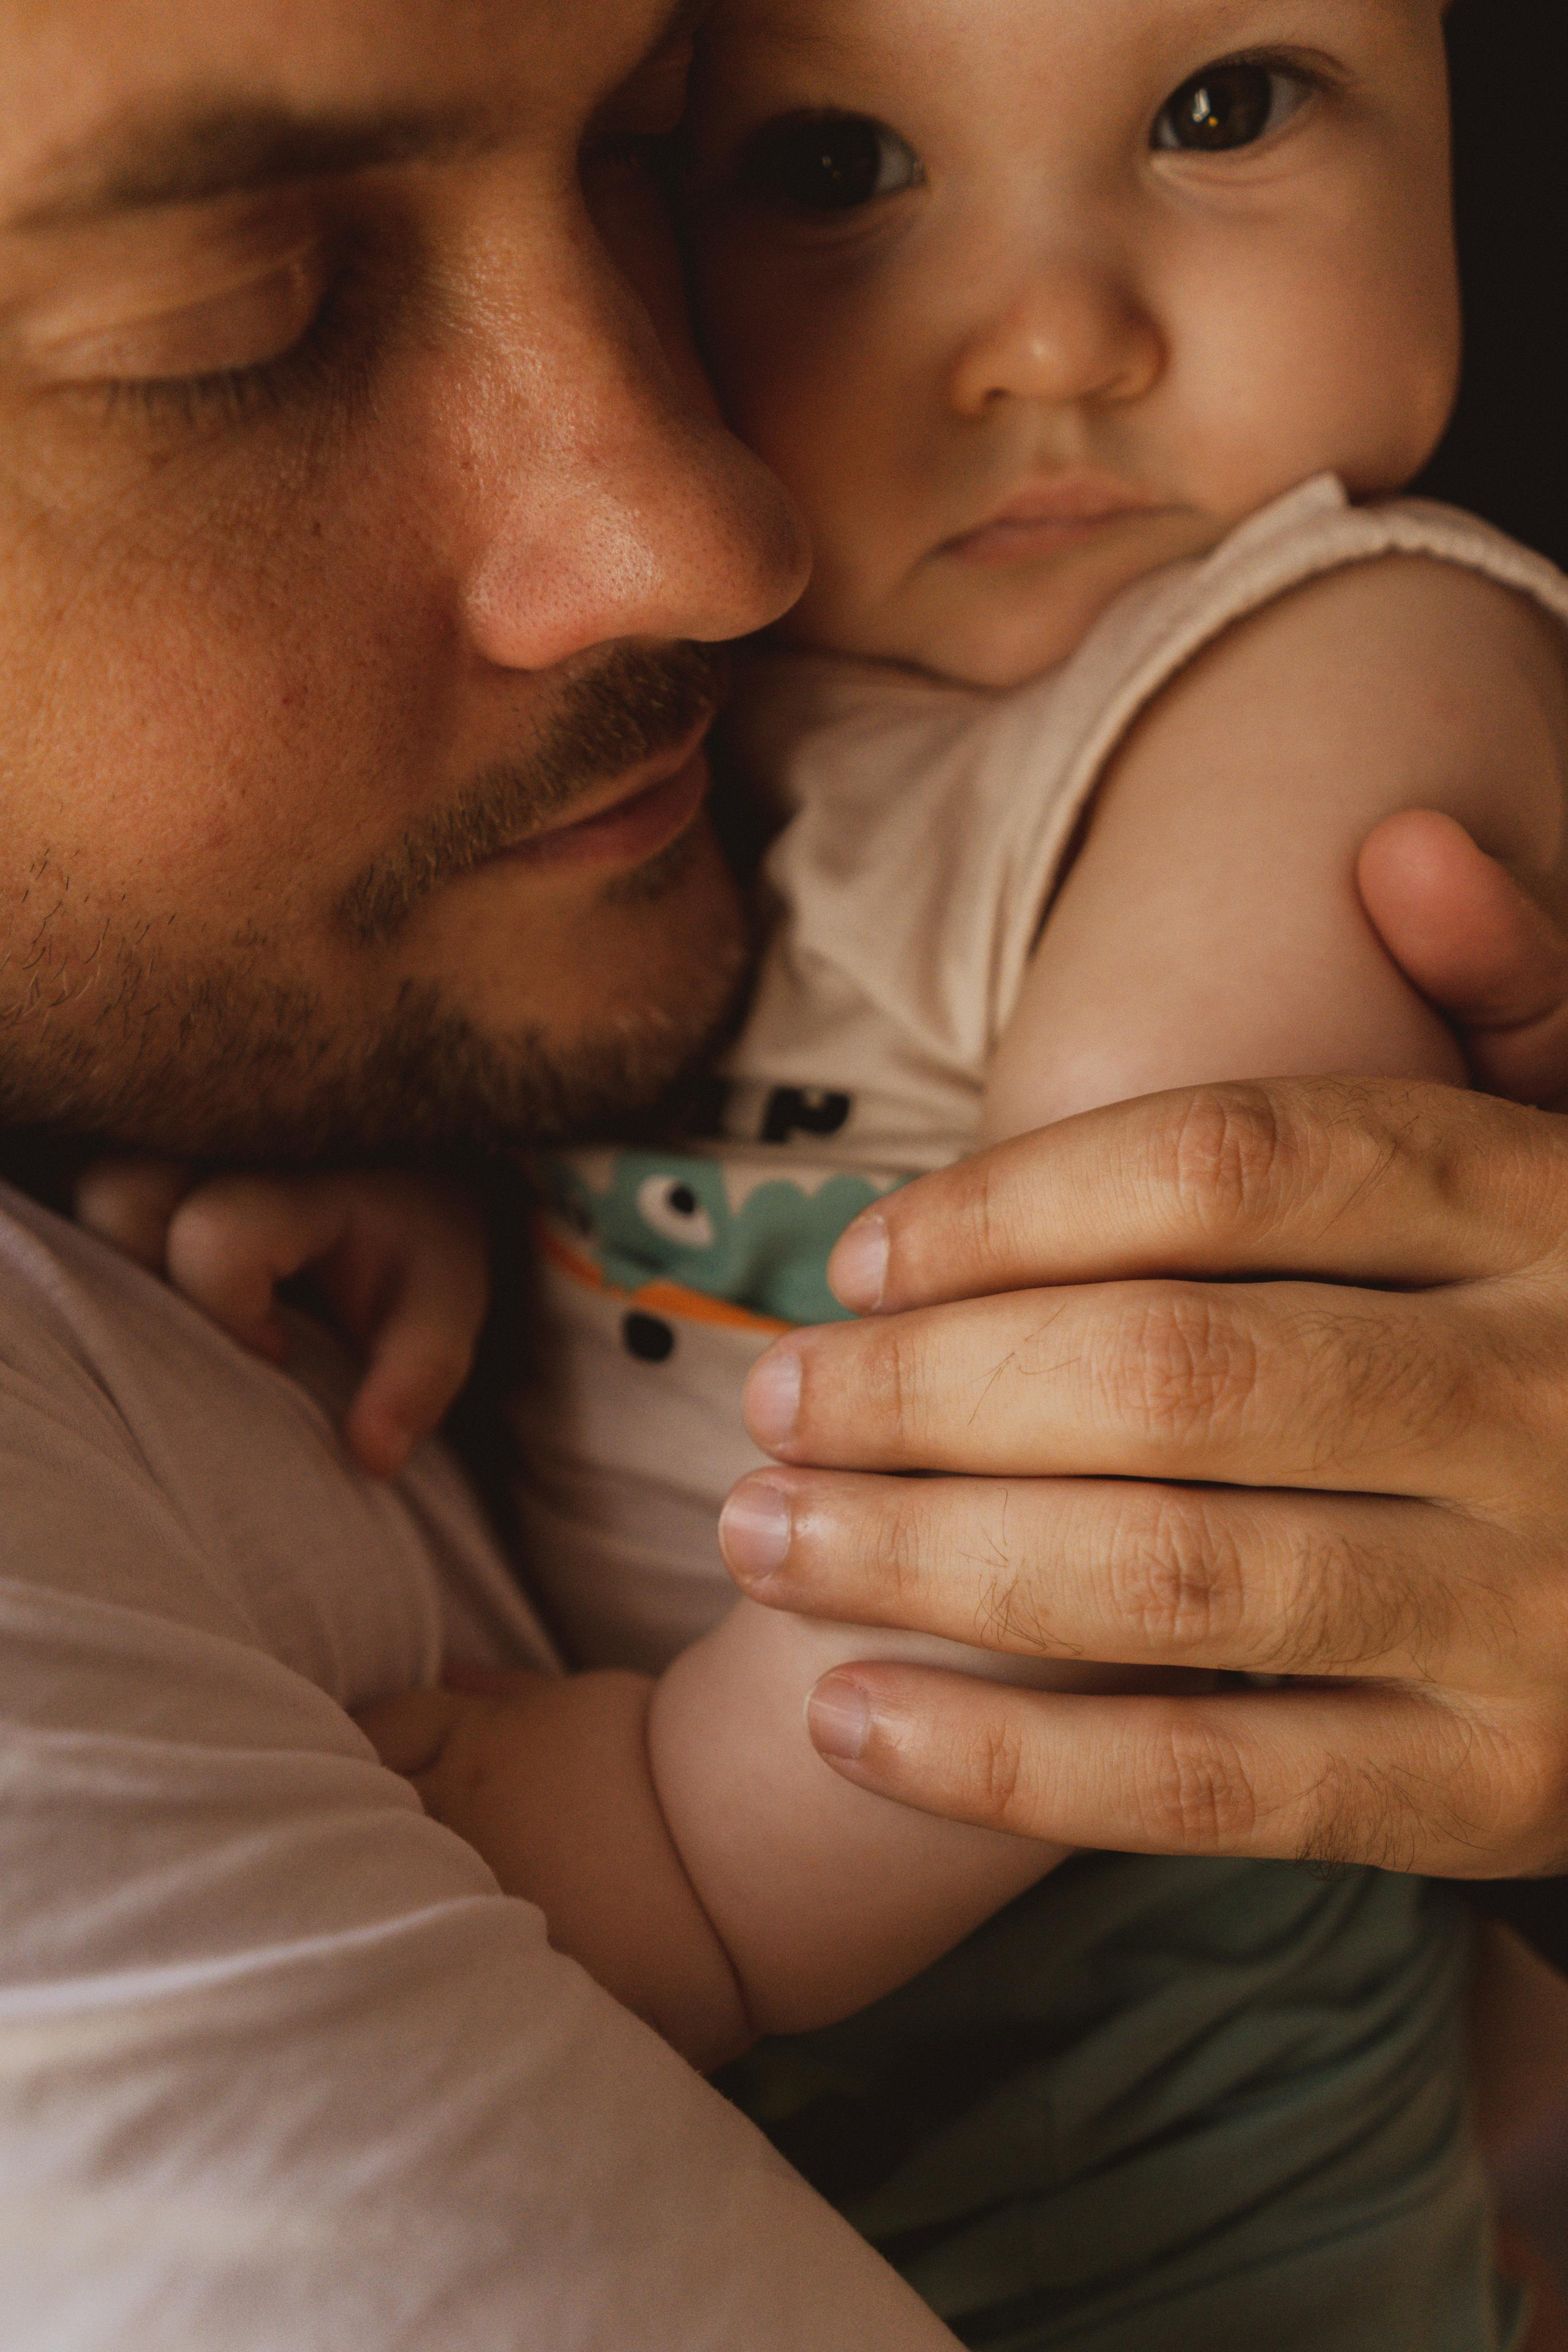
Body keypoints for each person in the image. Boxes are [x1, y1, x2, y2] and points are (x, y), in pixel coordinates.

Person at [0, 2, 1566, 2349]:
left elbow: (1124, 1383)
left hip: (1162, 2158)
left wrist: (683, 1851)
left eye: (1222, 108)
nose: (1055, 337)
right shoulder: (805, 697)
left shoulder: (1347, 668)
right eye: (830, 169)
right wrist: (466, 1196)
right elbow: (762, 1118)